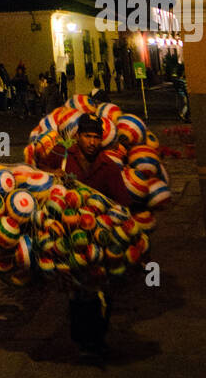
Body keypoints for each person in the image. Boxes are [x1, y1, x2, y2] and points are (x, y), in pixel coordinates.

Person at [34, 114, 135, 359]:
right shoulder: (63, 155)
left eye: (96, 137)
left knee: (102, 291)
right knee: (77, 292)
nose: (92, 142)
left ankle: (97, 339)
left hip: (99, 238)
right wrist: (53, 173)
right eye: (87, 136)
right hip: (68, 237)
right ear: (77, 136)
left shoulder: (108, 168)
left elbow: (123, 204)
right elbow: (39, 171)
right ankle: (82, 342)